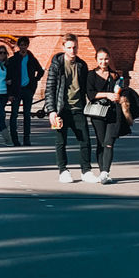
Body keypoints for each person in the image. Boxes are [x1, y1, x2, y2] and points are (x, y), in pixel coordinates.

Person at [43, 34, 93, 183]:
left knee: (85, 141)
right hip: (61, 109)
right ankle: (63, 170)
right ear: (63, 47)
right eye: (69, 48)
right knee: (61, 142)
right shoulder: (56, 65)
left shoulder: (82, 65)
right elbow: (50, 88)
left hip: (78, 107)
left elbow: (85, 88)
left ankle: (86, 171)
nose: (73, 50)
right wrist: (51, 111)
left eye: (75, 47)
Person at [84, 47, 128, 184]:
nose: (104, 62)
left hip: (113, 113)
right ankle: (102, 170)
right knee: (101, 142)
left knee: (109, 142)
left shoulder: (114, 75)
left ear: (109, 59)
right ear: (96, 60)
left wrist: (117, 96)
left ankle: (105, 172)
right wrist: (107, 94)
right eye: (101, 59)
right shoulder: (91, 75)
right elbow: (90, 94)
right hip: (98, 113)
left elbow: (120, 91)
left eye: (106, 59)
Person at [5, 36, 44, 146]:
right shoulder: (13, 60)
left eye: (24, 45)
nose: (23, 47)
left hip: (28, 90)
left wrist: (34, 81)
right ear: (18, 46)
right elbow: (8, 76)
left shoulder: (31, 58)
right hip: (16, 90)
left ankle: (27, 138)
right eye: (21, 45)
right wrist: (10, 92)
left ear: (27, 45)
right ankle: (15, 139)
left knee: (27, 115)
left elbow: (40, 70)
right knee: (14, 114)